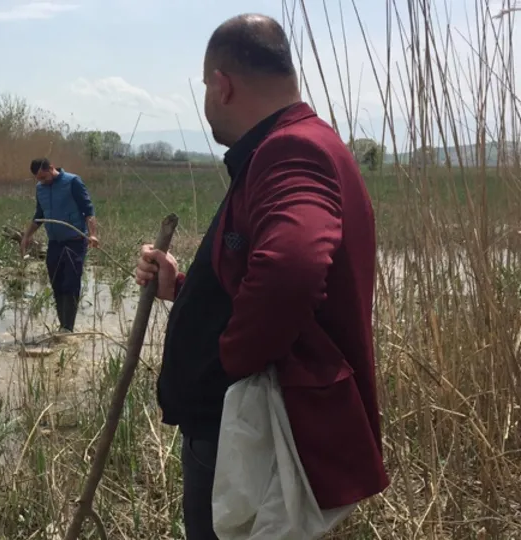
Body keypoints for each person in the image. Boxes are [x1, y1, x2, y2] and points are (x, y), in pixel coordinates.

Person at [133, 13, 389, 539]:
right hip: (239, 425)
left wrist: (229, 362)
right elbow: (260, 272)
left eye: (205, 87)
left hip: (243, 431)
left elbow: (292, 269)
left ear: (221, 85)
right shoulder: (299, 143)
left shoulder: (290, 149)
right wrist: (181, 289)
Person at [20, 158, 99, 333]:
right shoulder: (40, 188)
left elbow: (88, 210)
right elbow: (39, 215)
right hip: (55, 243)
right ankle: (63, 325)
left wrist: (92, 234)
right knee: (57, 282)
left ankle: (67, 328)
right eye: (38, 179)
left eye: (44, 177)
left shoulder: (72, 182)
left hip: (75, 241)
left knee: (71, 282)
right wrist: (27, 236)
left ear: (51, 168)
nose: (42, 181)